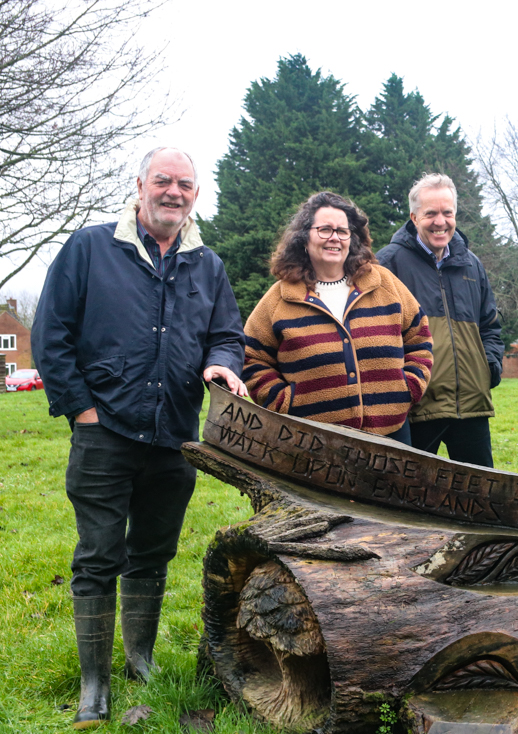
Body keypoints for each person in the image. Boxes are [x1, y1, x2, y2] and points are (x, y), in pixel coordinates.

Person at [31, 147, 247, 728]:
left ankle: (140, 659)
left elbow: (227, 334)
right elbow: (51, 334)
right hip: (105, 433)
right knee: (99, 554)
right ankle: (94, 685)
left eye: (184, 184)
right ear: (140, 186)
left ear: (195, 195)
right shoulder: (90, 248)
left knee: (153, 551)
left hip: (175, 435)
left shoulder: (208, 265)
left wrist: (222, 364)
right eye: (163, 181)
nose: (173, 192)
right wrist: (80, 410)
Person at [243, 191, 432, 443]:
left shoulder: (383, 283)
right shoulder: (280, 298)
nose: (335, 238)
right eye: (325, 230)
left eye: (343, 231)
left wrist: (409, 387)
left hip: (392, 435)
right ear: (304, 237)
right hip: (314, 444)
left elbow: (419, 336)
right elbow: (251, 357)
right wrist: (284, 403)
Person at [376, 173, 504, 467]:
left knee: (481, 497)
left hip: (471, 406)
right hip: (417, 407)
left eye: (447, 213)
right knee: (410, 497)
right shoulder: (387, 264)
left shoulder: (472, 264)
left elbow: (490, 326)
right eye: (431, 213)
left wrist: (489, 368)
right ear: (414, 216)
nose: (440, 221)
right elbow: (375, 334)